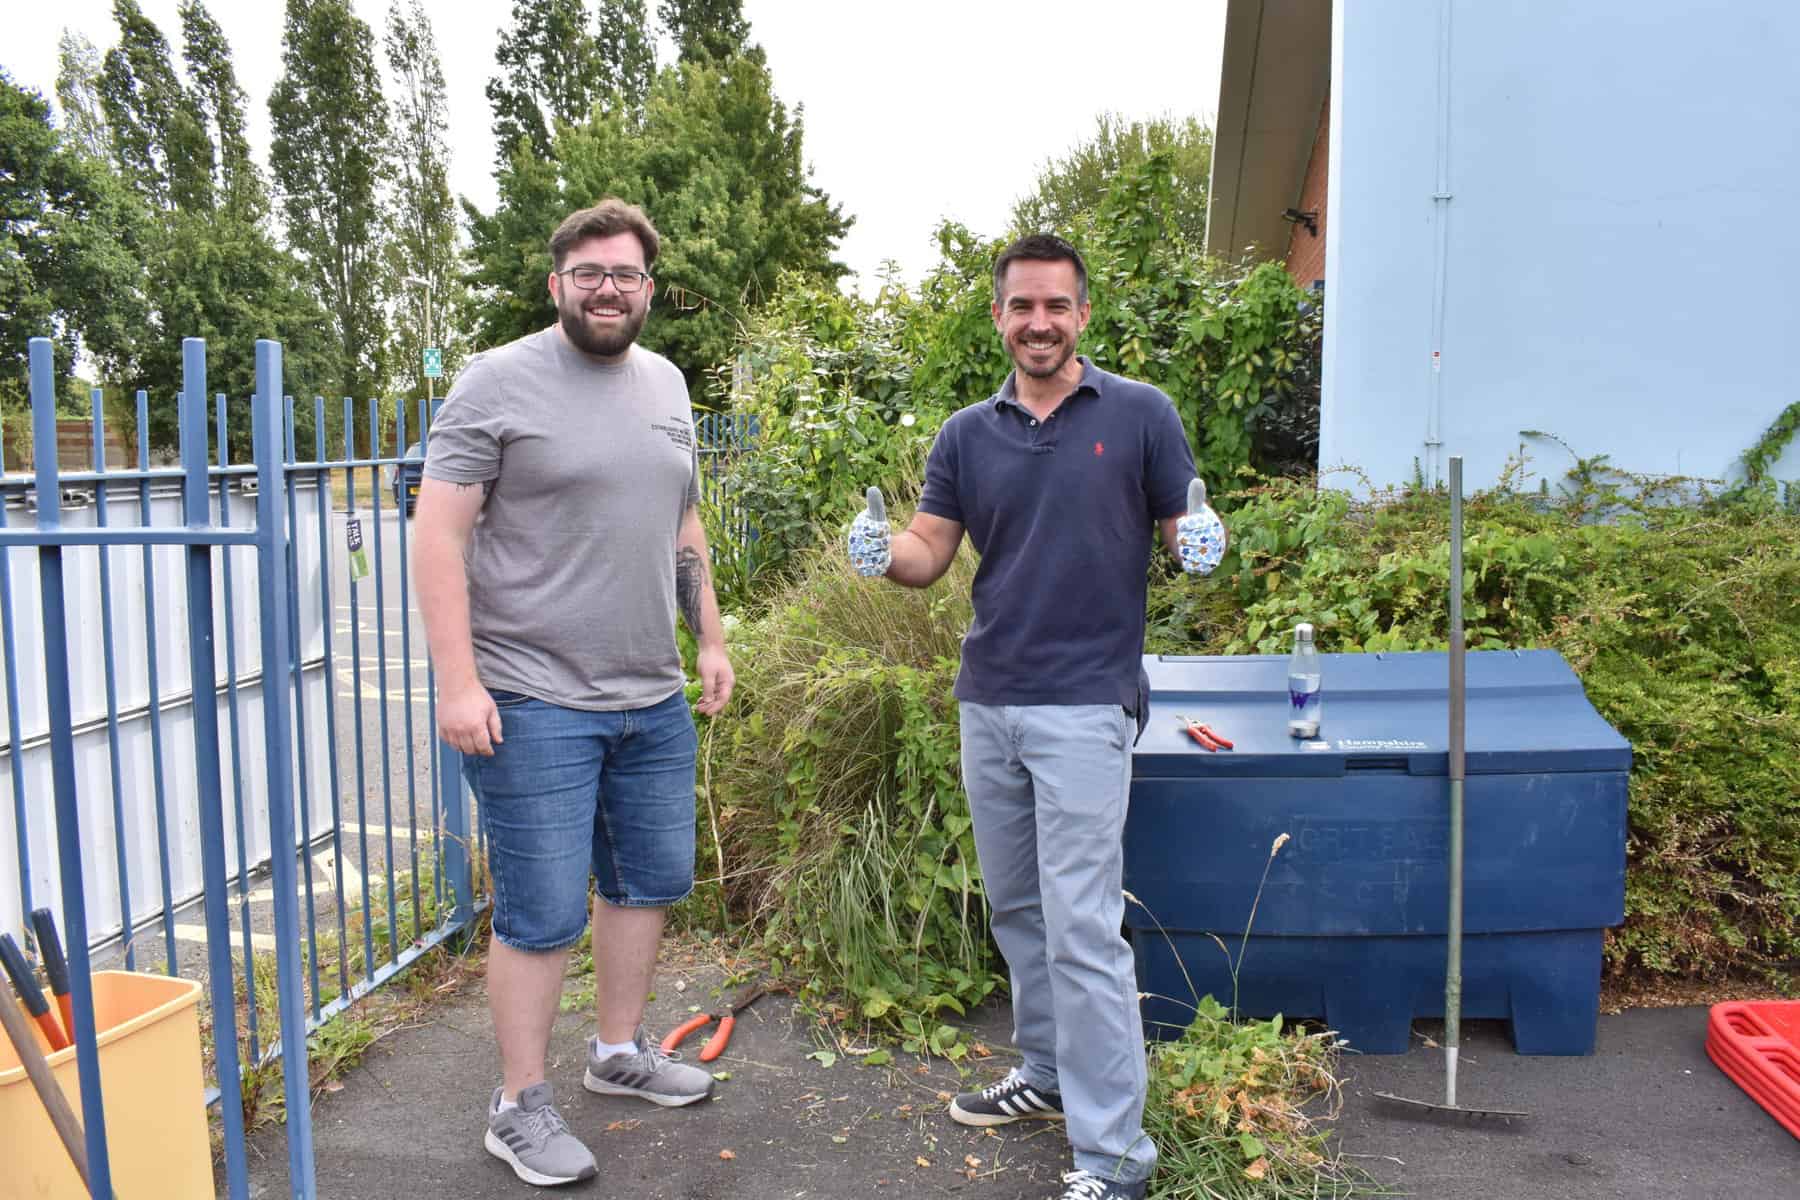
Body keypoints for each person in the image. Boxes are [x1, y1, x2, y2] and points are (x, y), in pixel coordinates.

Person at [847, 234, 1225, 1200]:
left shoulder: (1142, 414)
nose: (1039, 322)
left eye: (1056, 305)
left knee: (1085, 927)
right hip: (992, 702)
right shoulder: (966, 435)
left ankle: (1114, 1159)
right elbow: (930, 551)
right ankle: (1050, 1075)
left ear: (1083, 314)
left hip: (1087, 706)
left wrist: (1201, 538)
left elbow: (1184, 528)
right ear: (999, 317)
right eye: (1022, 306)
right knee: (1019, 910)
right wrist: (879, 552)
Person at [414, 198, 734, 1188]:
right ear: (557, 284)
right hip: (533, 697)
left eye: (626, 274)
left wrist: (711, 638)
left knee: (646, 884)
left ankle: (617, 1053)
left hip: (652, 694)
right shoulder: (497, 382)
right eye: (588, 273)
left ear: (649, 288)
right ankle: (518, 1105)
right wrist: (457, 682)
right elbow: (438, 532)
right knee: (543, 909)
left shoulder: (669, 383)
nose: (608, 288)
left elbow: (683, 524)